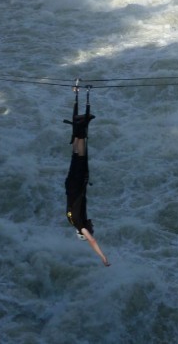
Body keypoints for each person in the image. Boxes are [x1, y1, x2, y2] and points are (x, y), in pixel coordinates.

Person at [64, 85, 110, 266]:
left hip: (75, 185)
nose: (93, 227)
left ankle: (80, 128)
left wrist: (103, 257)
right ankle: (77, 127)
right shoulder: (72, 220)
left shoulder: (79, 225)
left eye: (92, 229)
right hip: (70, 186)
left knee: (81, 157)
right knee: (76, 156)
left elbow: (92, 241)